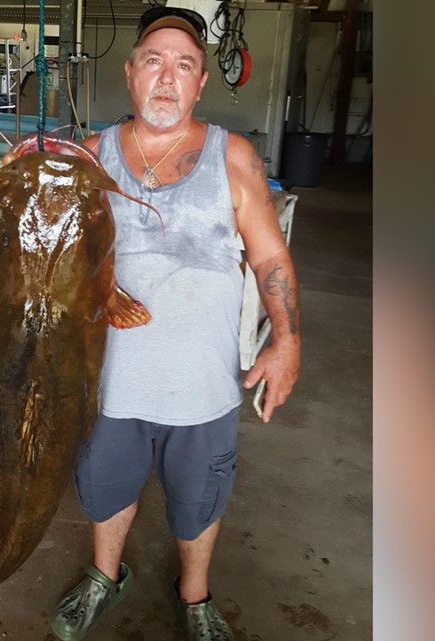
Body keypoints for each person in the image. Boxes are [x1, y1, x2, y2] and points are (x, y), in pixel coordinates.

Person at [49, 6, 301, 641]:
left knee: (197, 501)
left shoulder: (233, 156)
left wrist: (287, 340)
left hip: (205, 382)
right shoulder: (89, 156)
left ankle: (195, 596)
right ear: (131, 74)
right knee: (106, 490)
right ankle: (105, 576)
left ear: (200, 83)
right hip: (109, 383)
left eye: (184, 65)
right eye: (154, 62)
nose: (167, 77)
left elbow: (270, 254)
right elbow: (50, 259)